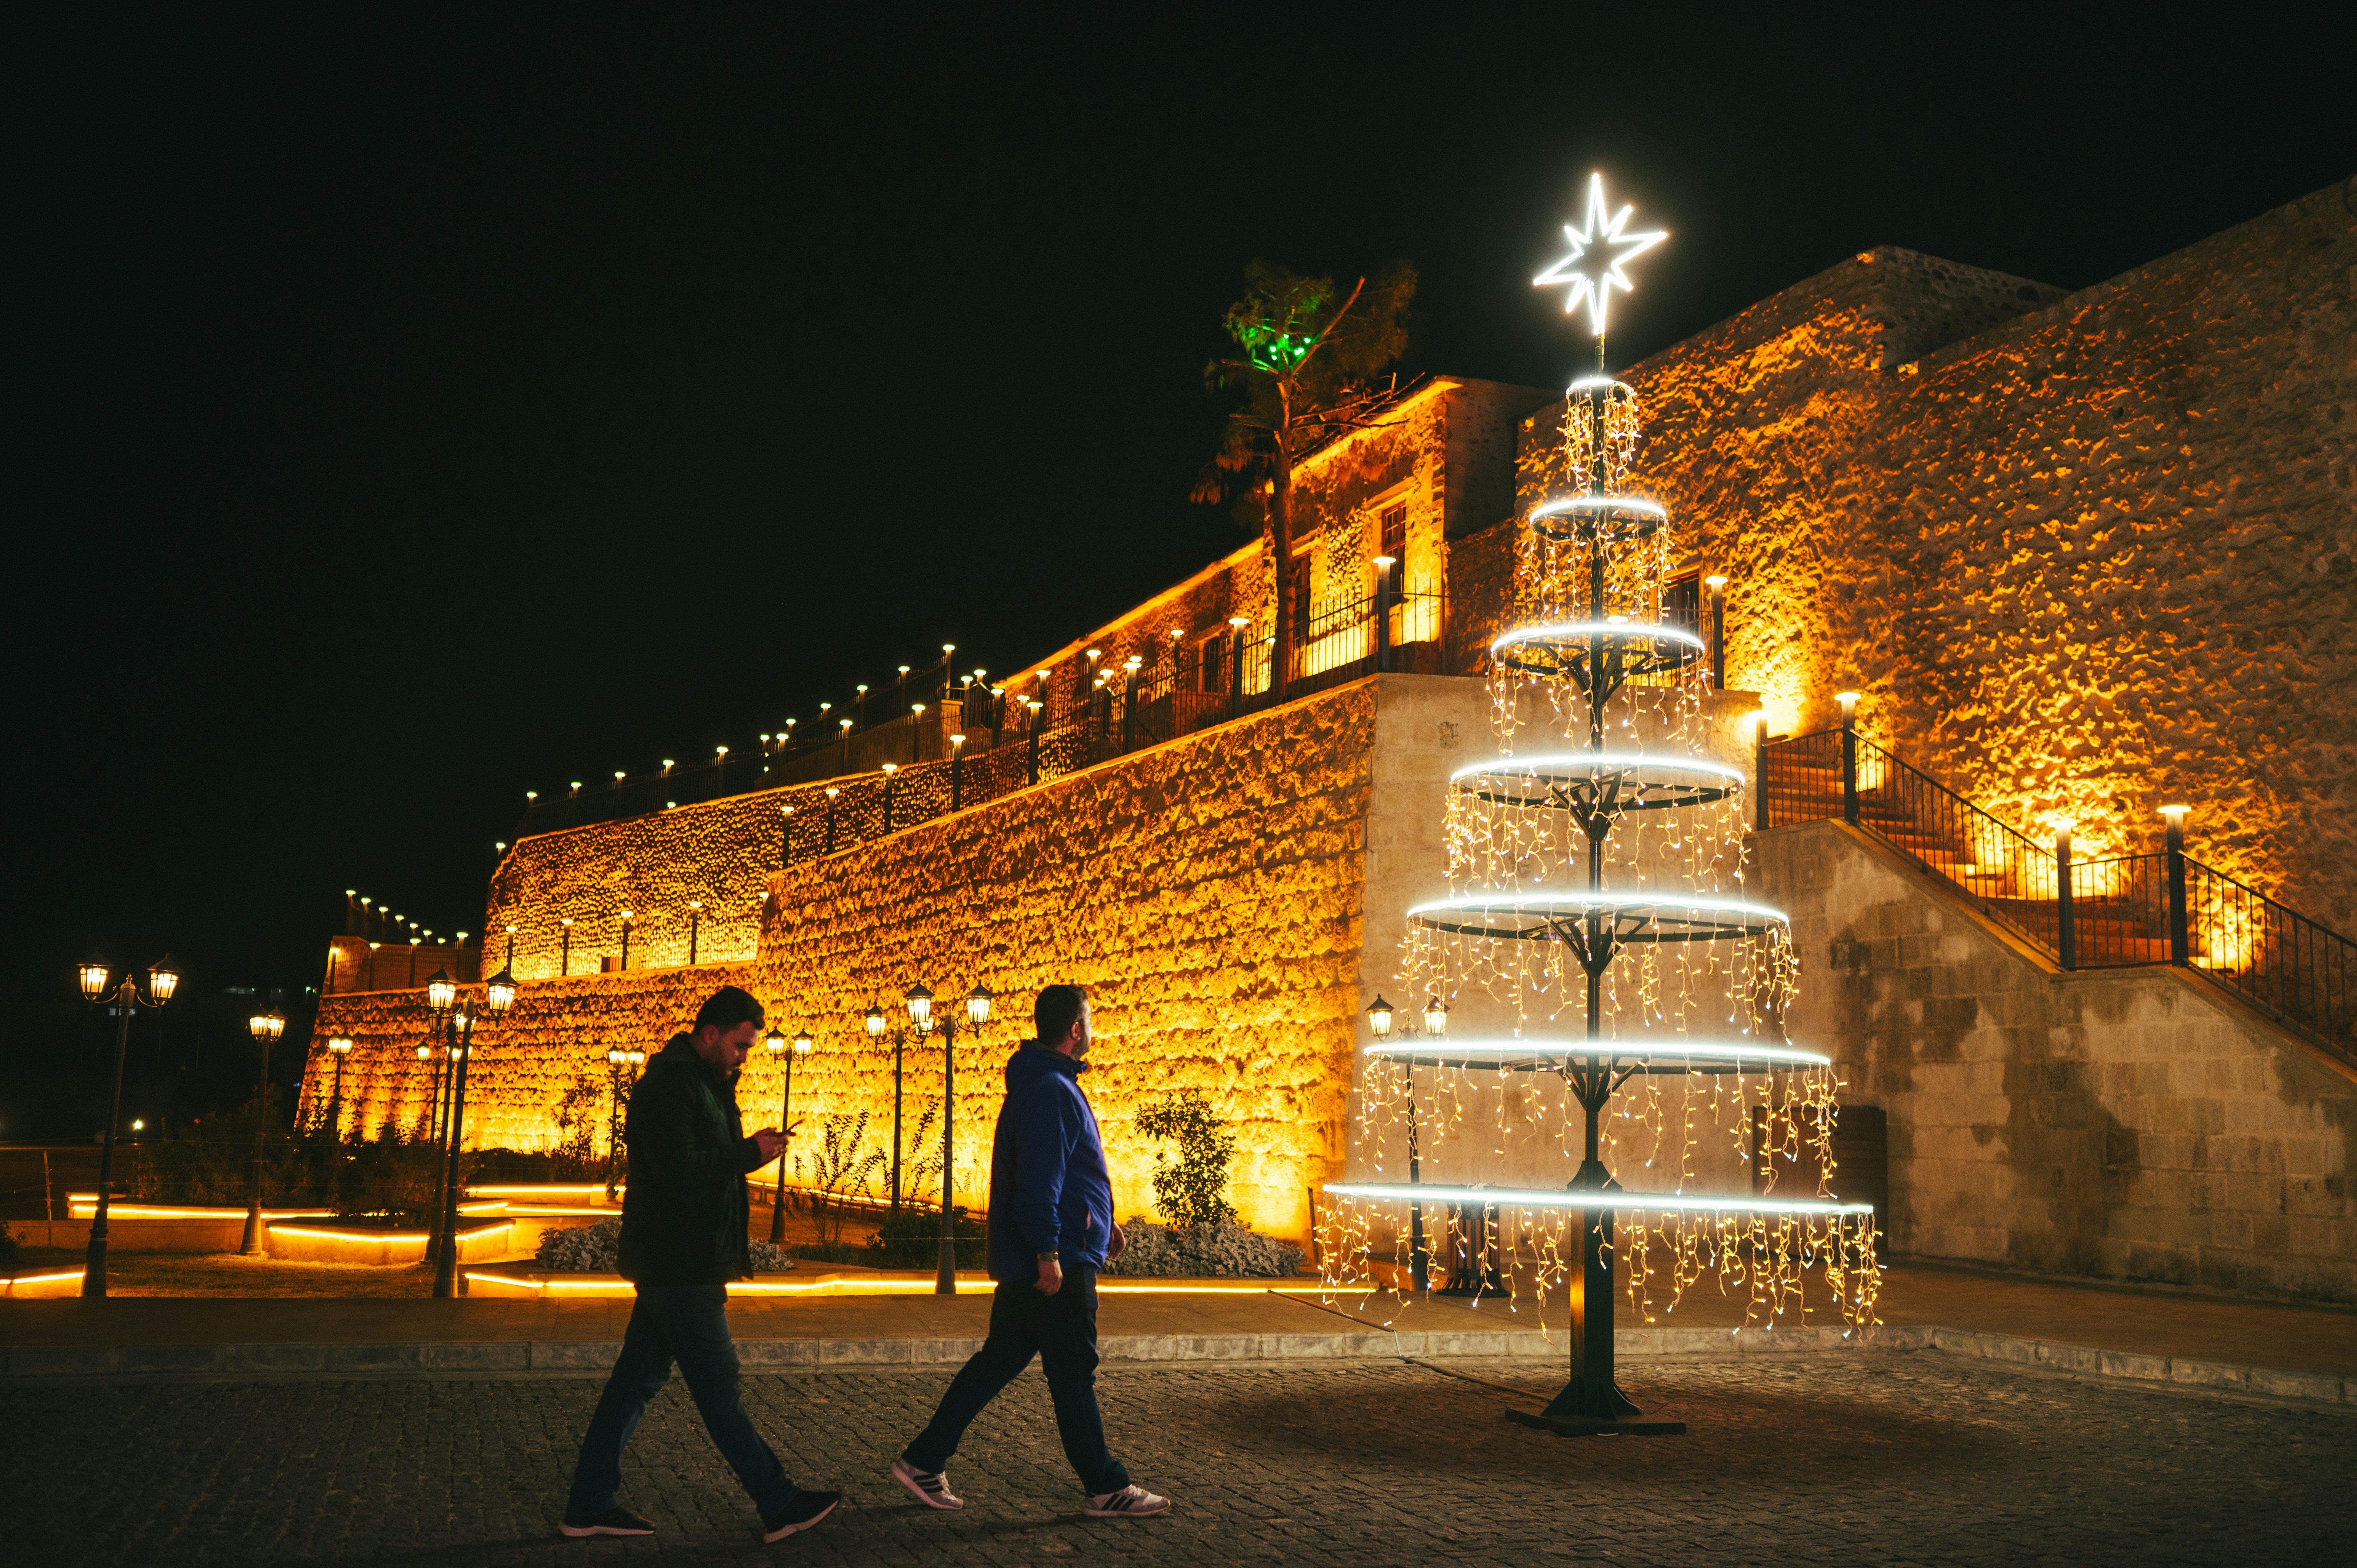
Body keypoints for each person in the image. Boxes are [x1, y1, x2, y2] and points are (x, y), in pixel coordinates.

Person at [561, 985, 840, 1542]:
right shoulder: (672, 1084)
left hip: (682, 1262)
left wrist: (749, 1147)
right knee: (717, 1386)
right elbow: (674, 1167)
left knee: (634, 1384)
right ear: (709, 1034)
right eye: (740, 1046)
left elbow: (702, 1162)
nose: (744, 1057)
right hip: (680, 1263)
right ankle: (779, 1501)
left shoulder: (705, 1084)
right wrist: (747, 1154)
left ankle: (589, 1503)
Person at [889, 984, 1169, 1519]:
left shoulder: (1044, 1082)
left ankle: (923, 1460)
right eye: (1091, 1019)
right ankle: (1107, 1487)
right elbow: (1041, 1179)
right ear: (1075, 1029)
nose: (1093, 1029)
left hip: (1050, 1250)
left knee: (999, 1361)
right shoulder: (1051, 1090)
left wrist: (1103, 1225)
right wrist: (1049, 1250)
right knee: (1073, 1373)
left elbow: (1067, 1173)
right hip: (1052, 1264)